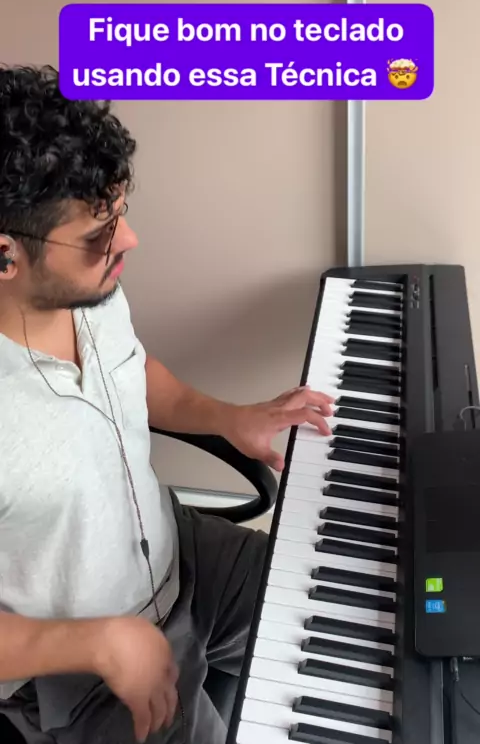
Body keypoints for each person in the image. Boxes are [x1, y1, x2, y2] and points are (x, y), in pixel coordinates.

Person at [0, 65, 334, 744]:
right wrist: (99, 643)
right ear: (5, 255)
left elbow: (135, 371)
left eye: (121, 213)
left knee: (355, 602)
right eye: (99, 233)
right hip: (80, 664)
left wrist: (228, 417)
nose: (128, 241)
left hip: (178, 553)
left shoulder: (87, 288)